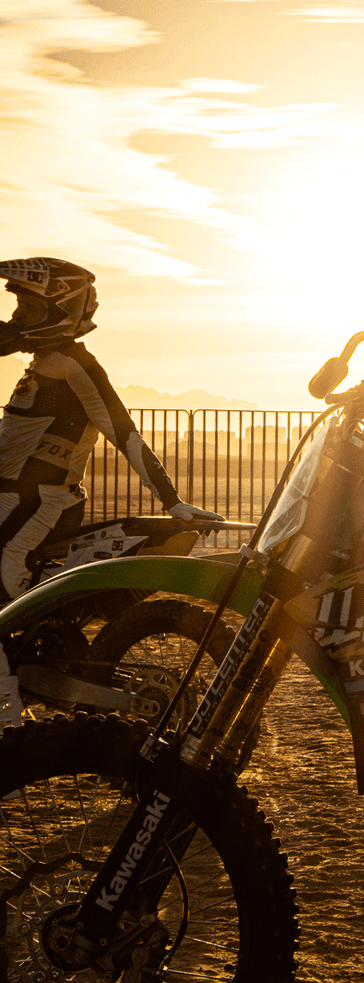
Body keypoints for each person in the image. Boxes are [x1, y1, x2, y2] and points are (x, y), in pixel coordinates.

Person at [0, 257, 221, 728]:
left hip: (40, 504)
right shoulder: (40, 363)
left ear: (60, 309)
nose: (17, 318)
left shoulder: (77, 366)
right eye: (17, 307)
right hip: (13, 500)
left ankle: (8, 729)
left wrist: (171, 500)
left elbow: (125, 433)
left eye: (29, 309)